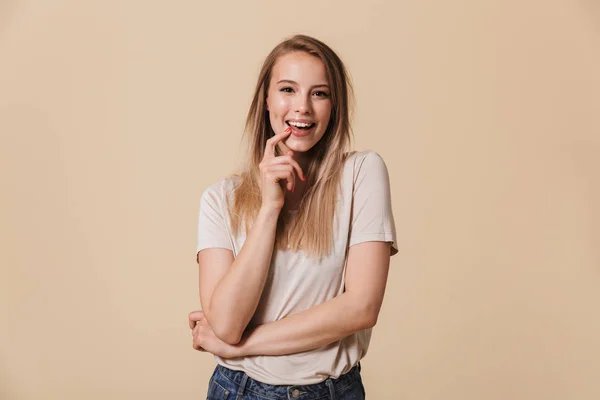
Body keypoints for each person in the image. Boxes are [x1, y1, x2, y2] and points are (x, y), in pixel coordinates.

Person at [188, 34, 398, 400]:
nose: (302, 107)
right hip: (237, 391)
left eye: (320, 93)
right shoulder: (219, 199)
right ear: (266, 100)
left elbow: (361, 307)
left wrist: (239, 347)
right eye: (288, 89)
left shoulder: (361, 174)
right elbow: (224, 323)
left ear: (335, 106)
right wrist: (270, 208)